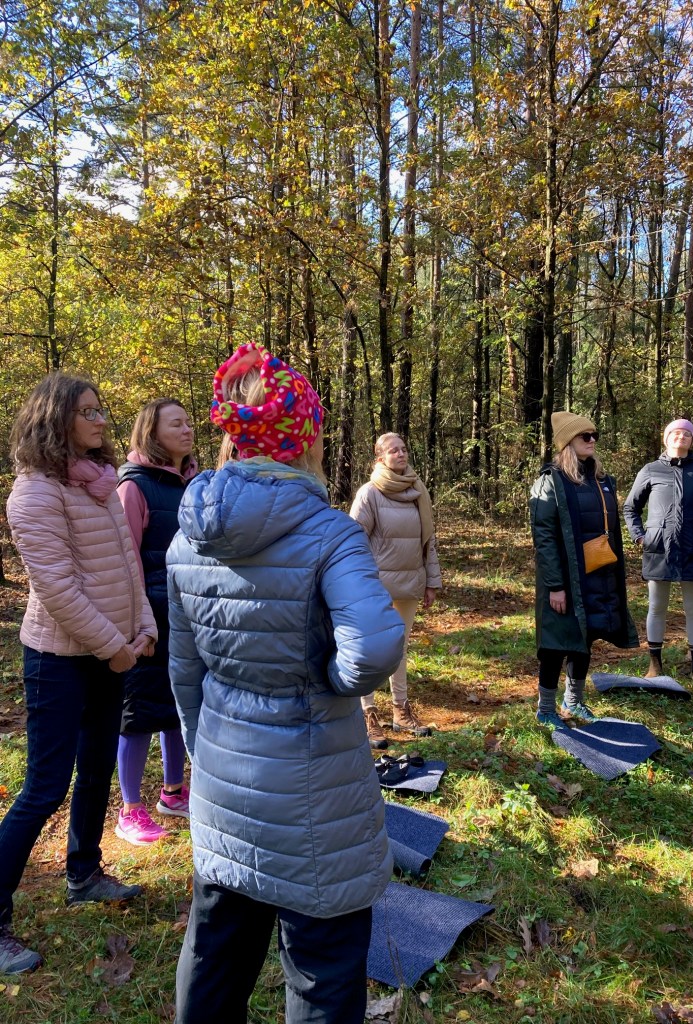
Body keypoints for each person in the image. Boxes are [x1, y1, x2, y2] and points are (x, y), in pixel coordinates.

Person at [166, 342, 404, 1024]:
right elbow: (375, 646)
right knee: (323, 967)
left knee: (216, 949)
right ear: (304, 440)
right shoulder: (329, 534)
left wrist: (205, 750)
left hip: (225, 782)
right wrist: (332, 680)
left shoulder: (189, 537)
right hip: (315, 787)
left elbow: (185, 669)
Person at [0, 374, 156, 975]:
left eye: (100, 409)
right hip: (60, 660)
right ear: (55, 418)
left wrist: (143, 626)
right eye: (88, 411)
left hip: (113, 651)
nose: (101, 420)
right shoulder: (33, 495)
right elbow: (58, 590)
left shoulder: (100, 482)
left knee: (95, 770)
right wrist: (114, 646)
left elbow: (129, 566)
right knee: (45, 787)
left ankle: (84, 873)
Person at [114, 400, 197, 845]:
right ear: (152, 432)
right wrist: (136, 621)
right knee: (138, 712)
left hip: (187, 615)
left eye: (188, 422)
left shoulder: (194, 484)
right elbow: (124, 560)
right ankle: (130, 809)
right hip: (146, 617)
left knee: (176, 705)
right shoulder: (134, 486)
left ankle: (173, 792)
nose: (187, 429)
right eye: (175, 424)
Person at [530, 412, 638, 728]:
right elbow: (544, 538)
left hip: (597, 575)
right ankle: (546, 708)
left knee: (586, 636)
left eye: (594, 435)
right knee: (556, 642)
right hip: (564, 578)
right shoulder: (550, 481)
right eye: (585, 436)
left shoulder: (601, 481)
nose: (592, 441)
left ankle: (574, 701)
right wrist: (556, 585)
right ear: (568, 442)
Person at [623, 418, 693, 686]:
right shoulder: (650, 470)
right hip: (658, 548)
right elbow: (630, 507)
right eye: (675, 432)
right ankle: (654, 665)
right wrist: (640, 536)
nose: (680, 437)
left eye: (686, 434)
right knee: (656, 607)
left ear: (692, 440)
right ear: (666, 437)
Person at [349, 433, 442, 749]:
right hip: (375, 588)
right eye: (393, 450)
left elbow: (428, 541)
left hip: (409, 584)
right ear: (380, 458)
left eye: (403, 449)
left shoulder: (417, 491)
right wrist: (357, 583)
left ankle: (401, 710)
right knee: (370, 650)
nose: (401, 454)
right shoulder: (369, 493)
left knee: (399, 648)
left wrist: (431, 581)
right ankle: (367, 713)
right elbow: (354, 541)